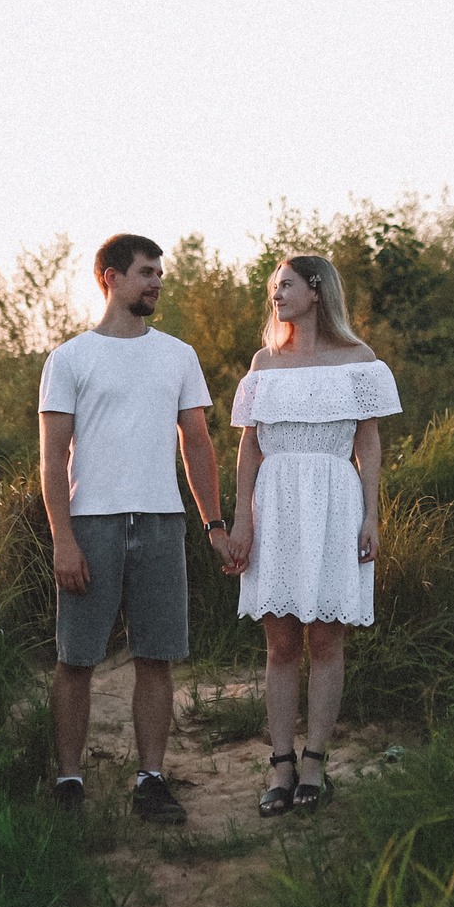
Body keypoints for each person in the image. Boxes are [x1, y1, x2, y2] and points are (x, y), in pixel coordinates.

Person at [38, 233, 230, 824]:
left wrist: (215, 524)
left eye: (159, 274)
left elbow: (197, 444)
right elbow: (51, 457)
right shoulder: (69, 358)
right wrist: (62, 539)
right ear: (110, 278)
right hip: (90, 522)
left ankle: (151, 779)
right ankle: (69, 779)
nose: (157, 283)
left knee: (157, 655)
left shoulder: (178, 355)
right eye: (146, 272)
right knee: (76, 658)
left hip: (161, 522)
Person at [222, 253, 399, 816]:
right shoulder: (264, 362)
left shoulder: (358, 360)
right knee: (279, 642)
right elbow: (249, 445)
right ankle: (280, 764)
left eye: (287, 285)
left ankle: (316, 761)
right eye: (273, 287)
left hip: (334, 501)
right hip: (274, 501)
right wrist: (241, 518)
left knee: (325, 639)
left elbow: (367, 443)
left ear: (317, 291)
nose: (276, 295)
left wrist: (371, 514)